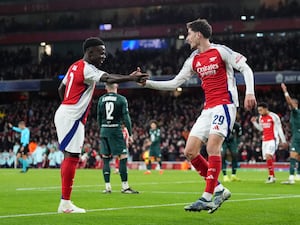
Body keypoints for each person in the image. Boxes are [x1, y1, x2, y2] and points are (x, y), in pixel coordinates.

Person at [141, 18, 257, 213]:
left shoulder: (221, 51)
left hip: (225, 105)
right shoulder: (193, 59)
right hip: (208, 109)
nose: (187, 39)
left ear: (198, 34)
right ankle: (220, 189)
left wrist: (250, 92)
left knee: (212, 147)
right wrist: (147, 83)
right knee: (190, 151)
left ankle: (207, 197)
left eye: (188, 34)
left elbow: (246, 68)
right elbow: (174, 82)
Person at [55, 37, 147, 213]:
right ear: (90, 52)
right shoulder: (88, 69)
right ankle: (65, 203)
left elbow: (61, 88)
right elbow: (108, 78)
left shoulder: (75, 66)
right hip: (72, 116)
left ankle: (65, 202)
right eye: (101, 52)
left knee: (71, 156)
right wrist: (131, 77)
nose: (104, 56)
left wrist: (67, 105)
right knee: (72, 157)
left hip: (66, 113)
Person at [97, 83, 138, 194]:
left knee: (105, 158)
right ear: (116, 86)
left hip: (104, 130)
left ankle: (107, 187)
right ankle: (125, 187)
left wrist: (102, 130)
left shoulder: (101, 99)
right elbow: (126, 117)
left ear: (106, 87)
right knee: (123, 156)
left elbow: (99, 117)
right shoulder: (121, 99)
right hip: (115, 130)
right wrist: (130, 134)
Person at [251, 102, 287, 183]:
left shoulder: (274, 116)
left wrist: (283, 140)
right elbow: (261, 128)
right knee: (268, 159)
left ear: (266, 109)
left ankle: (271, 176)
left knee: (268, 156)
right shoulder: (260, 118)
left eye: (261, 110)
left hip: (273, 139)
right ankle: (272, 176)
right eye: (258, 110)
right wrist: (254, 123)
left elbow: (279, 128)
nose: (259, 112)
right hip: (265, 140)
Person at [280, 83, 300, 184]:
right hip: (297, 135)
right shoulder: (296, 113)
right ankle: (299, 175)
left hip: (297, 137)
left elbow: (289, 102)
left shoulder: (296, 111)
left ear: (295, 104)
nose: (289, 104)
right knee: (298, 157)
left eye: (292, 103)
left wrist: (285, 91)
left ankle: (291, 178)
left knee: (293, 155)